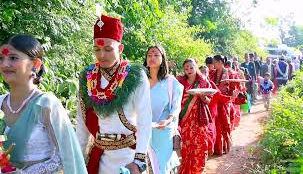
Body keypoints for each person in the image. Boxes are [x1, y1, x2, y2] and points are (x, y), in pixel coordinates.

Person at [76, 15, 152, 174]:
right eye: (97, 49)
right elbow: (82, 125)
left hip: (129, 158)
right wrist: (77, 161)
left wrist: (138, 162)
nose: (101, 55)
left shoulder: (135, 76)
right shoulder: (88, 78)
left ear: (121, 48)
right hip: (98, 158)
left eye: (108, 49)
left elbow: (145, 121)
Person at [0, 34, 86, 173]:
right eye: (1, 58)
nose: (5, 64)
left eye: (13, 58)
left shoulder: (46, 105)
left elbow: (65, 155)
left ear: (35, 64)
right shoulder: (0, 102)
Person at [144, 45, 183, 174]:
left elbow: (176, 106)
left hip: (163, 130)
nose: (152, 58)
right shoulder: (141, 81)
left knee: (161, 167)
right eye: (149, 55)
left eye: (156, 55)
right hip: (143, 130)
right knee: (144, 165)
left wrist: (168, 120)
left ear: (163, 59)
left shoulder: (171, 82)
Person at [177, 58, 212, 174]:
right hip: (185, 118)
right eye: (186, 68)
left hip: (199, 118)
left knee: (199, 144)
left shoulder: (203, 81)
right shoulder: (181, 82)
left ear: (196, 67)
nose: (189, 70)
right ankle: (186, 169)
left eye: (191, 67)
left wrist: (202, 96)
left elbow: (208, 101)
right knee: (186, 145)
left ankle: (197, 169)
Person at [210, 55, 239, 154]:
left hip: (225, 102)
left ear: (220, 62)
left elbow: (234, 87)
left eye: (214, 62)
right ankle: (217, 148)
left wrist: (232, 96)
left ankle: (225, 147)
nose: (213, 64)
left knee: (225, 124)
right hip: (215, 102)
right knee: (216, 124)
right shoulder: (212, 73)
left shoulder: (230, 73)